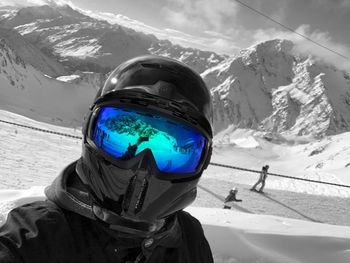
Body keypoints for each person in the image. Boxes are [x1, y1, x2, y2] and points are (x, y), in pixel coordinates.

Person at [0, 55, 214, 262]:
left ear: (203, 161)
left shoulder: (189, 237)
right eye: (117, 134)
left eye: (174, 152)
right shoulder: (32, 239)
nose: (143, 167)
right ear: (88, 130)